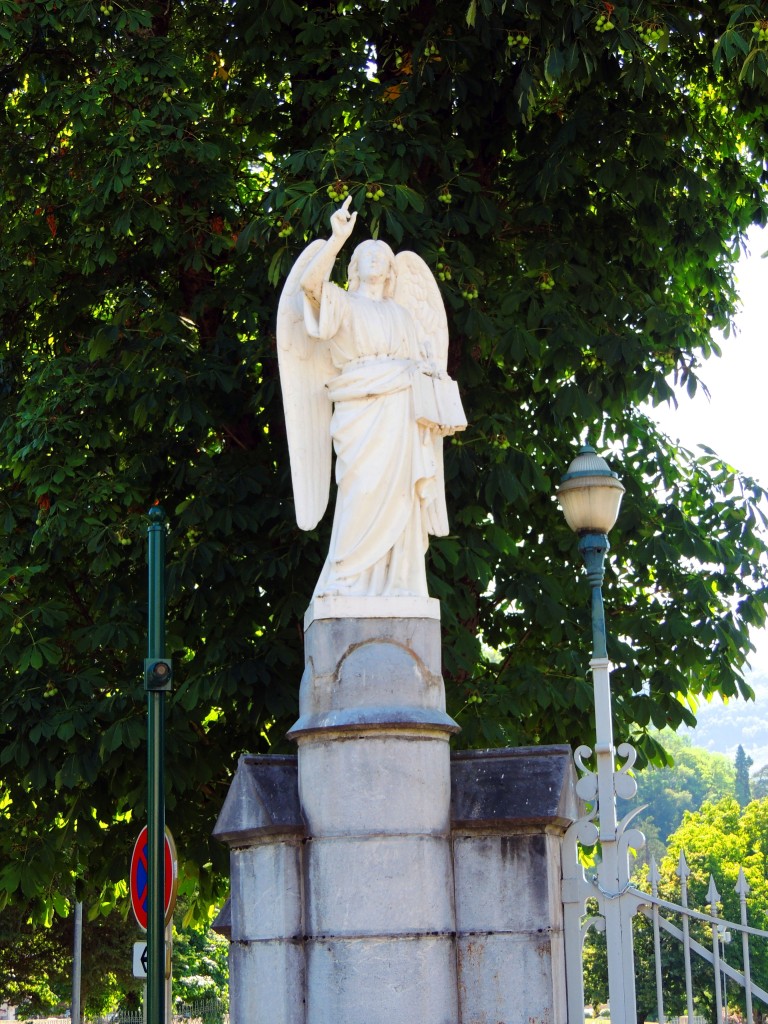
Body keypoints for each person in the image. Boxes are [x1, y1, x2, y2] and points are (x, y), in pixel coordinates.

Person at [277, 198, 465, 600]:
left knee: (401, 498)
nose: (376, 259)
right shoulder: (342, 304)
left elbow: (427, 364)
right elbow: (310, 288)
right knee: (360, 490)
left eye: (383, 256)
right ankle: (344, 576)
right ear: (354, 266)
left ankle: (399, 582)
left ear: (391, 270)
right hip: (359, 411)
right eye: (367, 254)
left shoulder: (404, 316)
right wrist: (337, 238)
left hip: (402, 412)